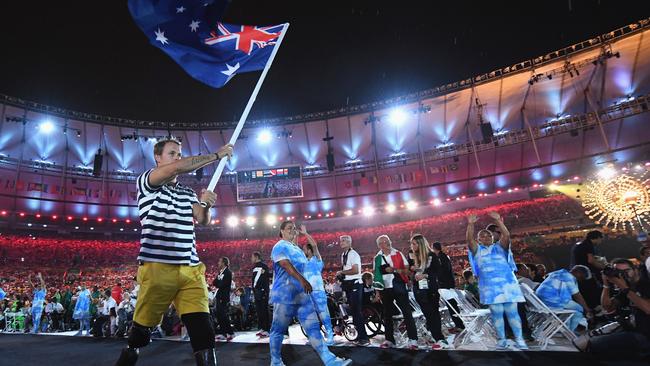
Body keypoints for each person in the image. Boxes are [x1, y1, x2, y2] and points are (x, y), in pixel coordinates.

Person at [114, 139, 233, 366]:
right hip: (158, 268)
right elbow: (177, 168)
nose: (177, 158)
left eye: (179, 153)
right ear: (158, 158)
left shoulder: (187, 193)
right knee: (139, 336)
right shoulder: (147, 182)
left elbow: (202, 219)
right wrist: (216, 155)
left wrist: (206, 204)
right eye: (172, 153)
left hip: (190, 269)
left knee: (204, 333)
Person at [269, 220, 351, 366]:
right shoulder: (279, 246)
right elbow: (285, 265)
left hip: (302, 295)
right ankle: (275, 361)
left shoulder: (298, 250)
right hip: (285, 295)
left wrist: (305, 282)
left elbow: (305, 265)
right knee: (278, 330)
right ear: (281, 231)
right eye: (289, 228)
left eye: (294, 229)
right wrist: (303, 280)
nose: (293, 231)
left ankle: (329, 360)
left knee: (313, 328)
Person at [467, 212, 528, 350]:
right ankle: (502, 340)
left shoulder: (500, 247)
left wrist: (498, 221)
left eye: (488, 234)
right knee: (497, 314)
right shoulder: (477, 251)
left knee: (513, 313)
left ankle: (520, 339)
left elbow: (506, 235)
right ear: (478, 240)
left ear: (493, 236)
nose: (486, 236)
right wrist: (470, 224)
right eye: (482, 235)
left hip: (508, 286)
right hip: (490, 288)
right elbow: (469, 240)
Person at [578, 258, 650, 355]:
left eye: (626, 271)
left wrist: (624, 287)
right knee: (582, 342)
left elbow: (648, 309)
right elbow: (607, 307)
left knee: (592, 345)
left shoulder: (645, 285)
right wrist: (606, 285)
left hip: (645, 336)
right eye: (618, 272)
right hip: (630, 329)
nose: (622, 275)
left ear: (635, 270)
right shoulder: (627, 288)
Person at [373, 234, 419, 350]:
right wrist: (378, 292)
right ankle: (389, 339)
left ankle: (413, 340)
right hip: (385, 288)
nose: (387, 243)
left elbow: (408, 271)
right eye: (384, 241)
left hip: (398, 284)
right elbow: (376, 276)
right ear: (379, 245)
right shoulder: (377, 258)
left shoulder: (398, 253)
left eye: (388, 240)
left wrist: (394, 270)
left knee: (407, 313)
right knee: (387, 315)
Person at [409, 234, 448, 349]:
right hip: (418, 289)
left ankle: (440, 339)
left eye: (414, 243)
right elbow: (409, 269)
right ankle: (436, 336)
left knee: (433, 313)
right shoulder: (411, 255)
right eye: (411, 243)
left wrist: (425, 275)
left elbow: (439, 271)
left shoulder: (431, 255)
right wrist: (411, 270)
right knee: (427, 314)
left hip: (431, 288)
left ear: (420, 244)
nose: (412, 246)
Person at [300, 224, 335, 344]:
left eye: (304, 249)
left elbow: (314, 245)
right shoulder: (303, 262)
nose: (303, 250)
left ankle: (330, 335)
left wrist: (305, 234)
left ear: (309, 250)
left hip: (318, 291)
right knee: (311, 316)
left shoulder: (317, 259)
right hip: (308, 292)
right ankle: (316, 337)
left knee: (323, 313)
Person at [535, 266, 593, 332]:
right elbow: (577, 296)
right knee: (580, 308)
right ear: (578, 272)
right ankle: (572, 332)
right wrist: (587, 310)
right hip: (552, 301)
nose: (581, 280)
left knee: (576, 312)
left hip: (541, 300)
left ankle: (569, 330)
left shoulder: (558, 273)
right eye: (582, 277)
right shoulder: (568, 277)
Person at [336, 235, 370, 346]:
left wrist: (342, 273)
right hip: (349, 284)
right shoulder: (343, 254)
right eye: (341, 240)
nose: (342, 242)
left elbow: (355, 270)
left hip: (355, 284)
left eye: (344, 240)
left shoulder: (353, 254)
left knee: (357, 312)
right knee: (354, 312)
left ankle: (364, 338)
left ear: (350, 243)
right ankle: (359, 336)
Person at [431, 241, 464, 331]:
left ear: (434, 249)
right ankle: (459, 324)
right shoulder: (444, 257)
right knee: (452, 305)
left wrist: (436, 277)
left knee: (452, 305)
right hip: (448, 284)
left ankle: (459, 325)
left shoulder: (440, 258)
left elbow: (442, 271)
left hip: (445, 285)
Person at [213, 257, 234, 341]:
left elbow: (222, 284)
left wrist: (218, 283)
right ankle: (223, 333)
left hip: (224, 296)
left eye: (219, 261)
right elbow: (214, 282)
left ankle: (230, 333)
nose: (218, 263)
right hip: (219, 295)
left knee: (224, 315)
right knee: (219, 315)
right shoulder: (220, 272)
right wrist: (218, 282)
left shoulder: (228, 272)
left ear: (224, 263)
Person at [251, 251, 270, 338]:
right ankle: (262, 328)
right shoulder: (254, 267)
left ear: (256, 257)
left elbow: (265, 279)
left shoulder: (264, 266)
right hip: (257, 292)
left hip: (262, 292)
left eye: (252, 257)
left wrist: (264, 291)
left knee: (264, 310)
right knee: (259, 311)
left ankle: (267, 329)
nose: (251, 259)